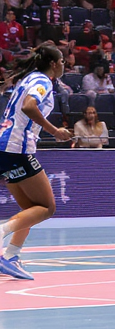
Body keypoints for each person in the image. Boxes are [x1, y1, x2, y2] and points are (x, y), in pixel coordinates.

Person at [0, 45, 75, 280]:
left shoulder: (29, 77)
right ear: (53, 64)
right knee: (47, 208)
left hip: (5, 149)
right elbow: (29, 106)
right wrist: (54, 131)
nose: (64, 64)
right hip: (17, 150)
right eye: (62, 60)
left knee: (30, 209)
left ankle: (11, 256)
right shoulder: (42, 81)